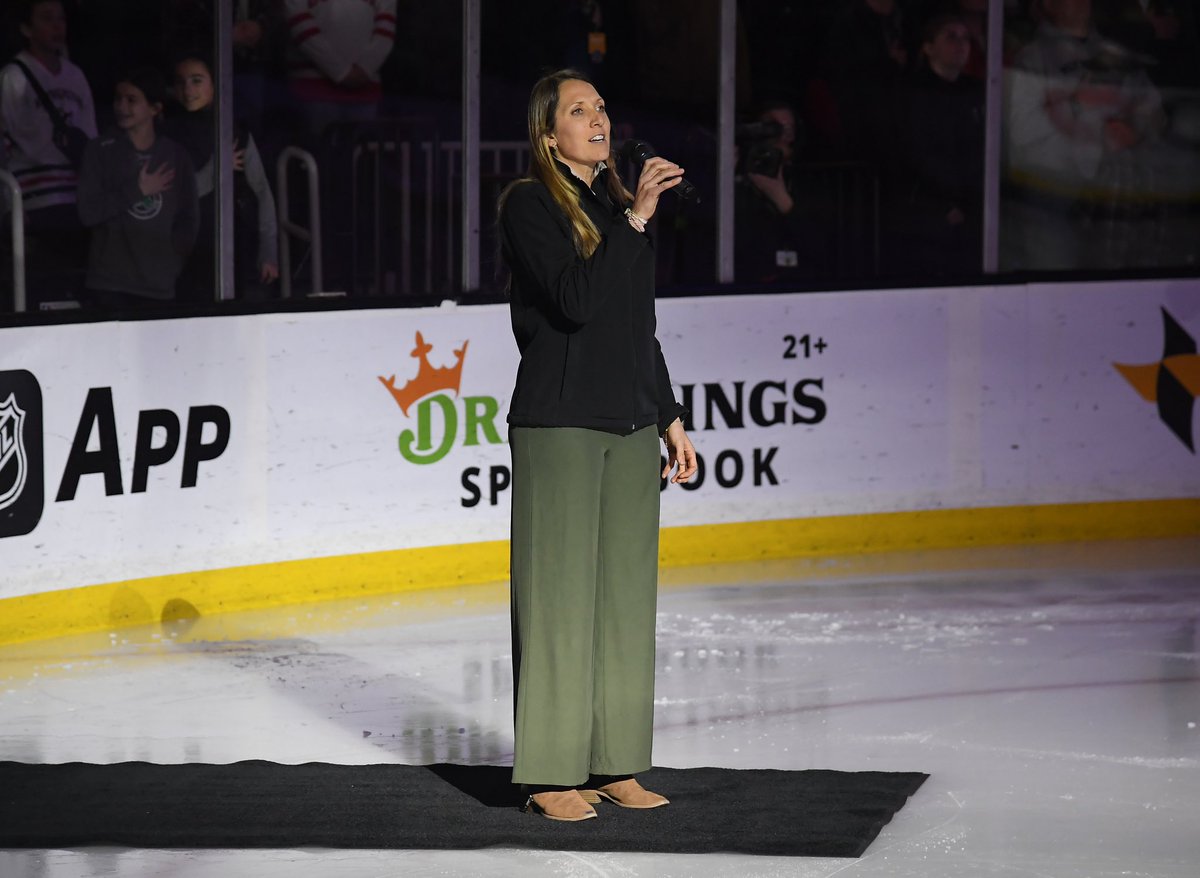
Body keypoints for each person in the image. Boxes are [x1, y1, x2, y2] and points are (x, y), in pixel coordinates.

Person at [497, 69, 697, 822]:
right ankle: (550, 771)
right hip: (561, 422)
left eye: (602, 107)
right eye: (578, 110)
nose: (597, 118)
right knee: (559, 601)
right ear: (549, 133)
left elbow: (634, 327)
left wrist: (669, 414)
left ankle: (614, 760)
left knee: (622, 602)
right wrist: (637, 223)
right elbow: (578, 304)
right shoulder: (529, 204)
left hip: (630, 421)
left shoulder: (615, 208)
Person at [0, 0, 97, 307]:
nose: (57, 27)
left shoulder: (75, 75)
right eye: (46, 19)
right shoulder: (13, 77)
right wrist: (10, 207)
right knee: (37, 288)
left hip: (73, 199)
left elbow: (89, 138)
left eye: (60, 19)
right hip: (32, 200)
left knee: (69, 285)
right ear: (26, 28)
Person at [76, 67, 198, 307]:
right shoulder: (100, 150)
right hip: (110, 284)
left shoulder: (175, 155)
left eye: (132, 100)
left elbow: (189, 218)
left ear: (155, 108)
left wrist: (172, 265)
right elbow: (87, 213)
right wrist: (137, 191)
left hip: (159, 286)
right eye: (118, 99)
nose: (122, 107)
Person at [169, 52, 278, 300]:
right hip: (181, 251)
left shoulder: (233, 130)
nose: (188, 89)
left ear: (214, 86)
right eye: (181, 82)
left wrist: (269, 251)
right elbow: (174, 196)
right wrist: (217, 168)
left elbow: (261, 190)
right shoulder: (167, 135)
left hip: (229, 249)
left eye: (197, 80)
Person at [889, 13, 984, 276]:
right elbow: (914, 152)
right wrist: (944, 204)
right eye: (951, 37)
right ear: (928, 47)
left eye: (965, 38)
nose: (960, 44)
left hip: (973, 210)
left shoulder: (977, 91)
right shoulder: (912, 93)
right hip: (928, 212)